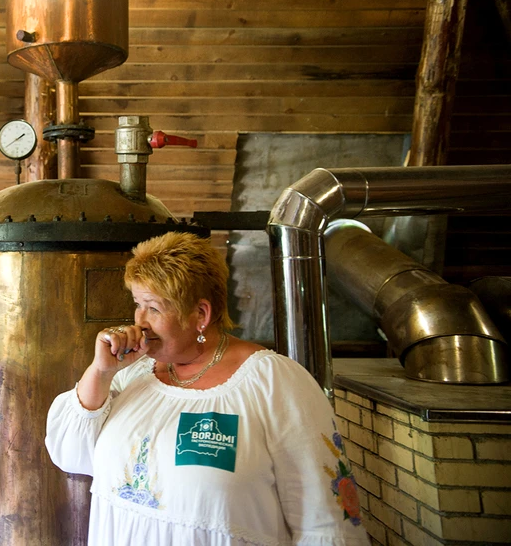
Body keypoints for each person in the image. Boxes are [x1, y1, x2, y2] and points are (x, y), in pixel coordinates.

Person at [45, 231, 369, 545]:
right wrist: (101, 371)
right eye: (137, 304)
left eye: (153, 308)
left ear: (200, 314)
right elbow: (69, 455)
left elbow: (326, 524)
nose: (139, 321)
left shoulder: (274, 382)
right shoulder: (135, 374)